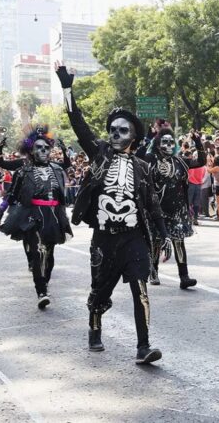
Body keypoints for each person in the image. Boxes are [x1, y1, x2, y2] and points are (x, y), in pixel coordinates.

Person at [56, 60, 169, 364]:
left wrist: (164, 234)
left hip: (133, 237)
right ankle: (95, 328)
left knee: (141, 289)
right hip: (104, 238)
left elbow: (153, 204)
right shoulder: (100, 153)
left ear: (133, 136)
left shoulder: (143, 168)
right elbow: (77, 123)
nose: (115, 134)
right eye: (112, 130)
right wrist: (68, 89)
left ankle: (143, 346)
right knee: (99, 291)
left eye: (123, 130)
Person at [0, 126, 72, 309]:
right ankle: (41, 291)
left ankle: (44, 282)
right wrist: (0, 212)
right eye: (39, 147)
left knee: (50, 253)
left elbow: (67, 165)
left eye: (46, 147)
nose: (44, 151)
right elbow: (12, 194)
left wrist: (63, 151)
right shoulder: (24, 171)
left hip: (53, 215)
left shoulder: (56, 168)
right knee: (37, 253)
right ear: (31, 151)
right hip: (33, 215)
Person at [142, 128, 206, 289]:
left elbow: (201, 162)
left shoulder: (179, 161)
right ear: (157, 144)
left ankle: (184, 276)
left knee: (178, 241)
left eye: (172, 142)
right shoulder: (150, 159)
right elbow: (138, 158)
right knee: (156, 240)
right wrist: (148, 138)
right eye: (165, 142)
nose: (169, 145)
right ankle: (153, 271)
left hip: (177, 210)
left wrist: (198, 143)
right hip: (157, 209)